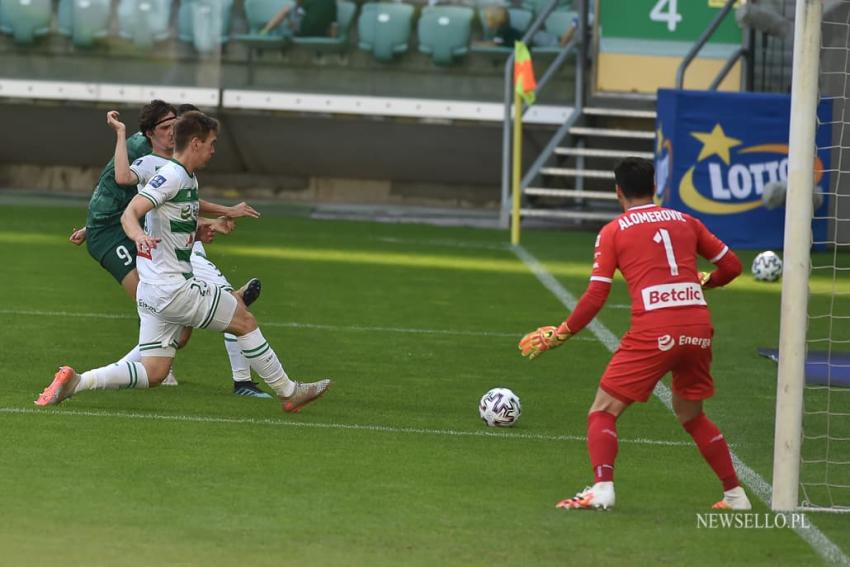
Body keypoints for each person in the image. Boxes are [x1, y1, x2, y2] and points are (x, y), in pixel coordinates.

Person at [36, 111, 331, 412]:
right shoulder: (172, 176)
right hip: (174, 288)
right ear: (195, 143)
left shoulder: (184, 176)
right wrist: (137, 236)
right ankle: (288, 391)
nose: (214, 150)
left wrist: (207, 226)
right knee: (243, 319)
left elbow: (173, 219)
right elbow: (130, 212)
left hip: (153, 290)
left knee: (154, 372)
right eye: (212, 143)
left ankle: (78, 382)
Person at [518, 157, 750, 511]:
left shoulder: (614, 231)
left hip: (654, 329)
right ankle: (735, 495)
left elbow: (597, 295)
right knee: (692, 415)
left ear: (618, 191)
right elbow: (732, 265)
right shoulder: (686, 220)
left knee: (602, 411)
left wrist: (560, 334)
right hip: (698, 327)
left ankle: (603, 488)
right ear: (654, 188)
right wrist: (706, 282)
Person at [70, 101, 267, 396]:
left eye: (176, 126)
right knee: (224, 312)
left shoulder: (179, 167)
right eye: (166, 127)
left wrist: (208, 225)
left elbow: (177, 207)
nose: (173, 132)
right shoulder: (151, 160)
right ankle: (259, 384)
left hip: (174, 252)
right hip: (160, 255)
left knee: (180, 332)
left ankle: (99, 377)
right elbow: (126, 187)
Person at [259, 0, 337, 38]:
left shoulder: (309, 2)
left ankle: (264, 31)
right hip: (322, 34)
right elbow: (333, 24)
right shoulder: (332, 3)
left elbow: (298, 10)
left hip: (302, 32)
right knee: (296, 14)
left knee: (287, 10)